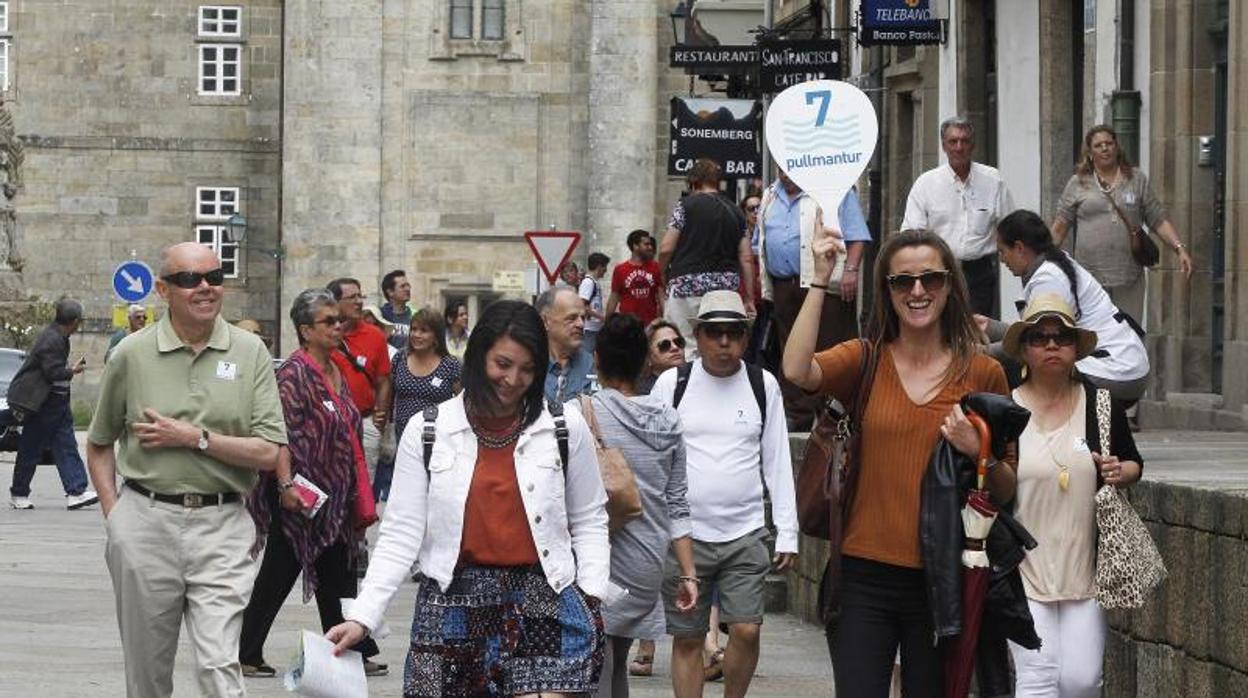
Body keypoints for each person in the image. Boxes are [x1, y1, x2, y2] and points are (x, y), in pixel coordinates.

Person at [326, 300, 610, 697]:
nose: (513, 380)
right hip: (451, 602)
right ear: (478, 359)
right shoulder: (428, 431)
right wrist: (363, 616)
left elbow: (589, 517)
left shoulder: (564, 426)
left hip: (543, 598)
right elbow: (401, 534)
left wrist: (592, 593)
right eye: (503, 364)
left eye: (528, 369)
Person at [782, 228, 1017, 696]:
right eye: (901, 281)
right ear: (885, 291)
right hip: (861, 575)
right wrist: (821, 280)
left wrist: (979, 450)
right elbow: (795, 369)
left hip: (941, 578)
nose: (917, 291)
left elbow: (1008, 489)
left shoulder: (983, 371)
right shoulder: (865, 359)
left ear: (949, 286)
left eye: (930, 278)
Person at [86, 242, 287, 697]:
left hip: (223, 524)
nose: (204, 288)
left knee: (219, 665)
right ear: (163, 289)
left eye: (213, 278)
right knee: (147, 674)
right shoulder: (131, 354)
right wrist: (115, 516)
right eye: (189, 280)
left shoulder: (250, 350)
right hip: (144, 522)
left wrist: (195, 438)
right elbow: (98, 444)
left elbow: (270, 452)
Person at [651, 290, 797, 698]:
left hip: (745, 531)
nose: (724, 343)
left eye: (733, 333)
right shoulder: (672, 384)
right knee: (689, 637)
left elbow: (777, 459)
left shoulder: (761, 384)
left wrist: (787, 530)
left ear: (745, 338)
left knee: (747, 629)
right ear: (698, 336)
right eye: (714, 333)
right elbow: (654, 458)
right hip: (685, 537)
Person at [238, 289, 386, 678]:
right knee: (280, 572)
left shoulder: (337, 367)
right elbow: (279, 435)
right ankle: (245, 651)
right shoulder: (294, 373)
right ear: (305, 330)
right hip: (298, 495)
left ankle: (351, 645)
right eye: (328, 322)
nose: (338, 327)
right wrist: (287, 487)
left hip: (333, 498)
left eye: (339, 320)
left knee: (335, 572)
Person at [1001, 294, 1143, 697]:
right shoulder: (1005, 408)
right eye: (1040, 337)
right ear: (1025, 348)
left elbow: (1134, 464)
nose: (1051, 345)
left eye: (1061, 338)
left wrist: (1119, 471)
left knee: (1081, 681)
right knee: (1038, 678)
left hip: (1085, 573)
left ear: (1075, 349)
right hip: (1023, 572)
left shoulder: (1100, 403)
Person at [590, 313, 698, 697]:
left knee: (595, 665)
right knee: (615, 660)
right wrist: (688, 573)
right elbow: (677, 501)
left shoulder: (582, 413)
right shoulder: (668, 419)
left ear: (597, 358)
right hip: (648, 562)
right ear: (644, 362)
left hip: (601, 559)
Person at [991, 209, 1150, 401]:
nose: (1001, 260)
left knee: (1023, 368)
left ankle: (1037, 427)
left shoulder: (1049, 279)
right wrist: (989, 327)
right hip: (1121, 368)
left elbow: (1039, 340)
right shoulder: (1052, 267)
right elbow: (1032, 334)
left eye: (1002, 252)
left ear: (1019, 247)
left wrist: (983, 352)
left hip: (1115, 372)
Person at [756, 170, 872, 430]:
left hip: (827, 283)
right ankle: (799, 414)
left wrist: (851, 271)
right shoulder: (769, 196)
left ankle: (834, 413)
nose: (784, 175)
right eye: (780, 169)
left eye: (790, 169)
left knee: (831, 346)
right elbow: (759, 242)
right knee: (791, 347)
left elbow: (857, 237)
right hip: (784, 285)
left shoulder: (835, 190)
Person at [1051, 124, 1194, 323]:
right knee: (1094, 334)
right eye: (1098, 145)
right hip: (1090, 277)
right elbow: (1060, 226)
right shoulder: (1078, 182)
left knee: (1129, 331)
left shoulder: (1136, 179)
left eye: (1109, 143)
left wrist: (1180, 249)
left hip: (1128, 276)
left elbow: (1157, 219)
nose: (1104, 148)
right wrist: (1042, 258)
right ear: (1090, 153)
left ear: (1117, 148)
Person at [902, 117, 1016, 317]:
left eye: (964, 141)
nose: (959, 147)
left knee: (977, 331)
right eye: (953, 142)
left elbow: (1010, 227)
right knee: (939, 328)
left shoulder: (993, 180)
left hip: (979, 272)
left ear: (973, 145)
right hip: (938, 271)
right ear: (944, 146)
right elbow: (911, 234)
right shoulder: (926, 184)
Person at [658, 159, 756, 358]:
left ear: (693, 183)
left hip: (686, 286)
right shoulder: (736, 211)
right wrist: (749, 297)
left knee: (683, 345)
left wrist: (661, 274)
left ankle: (685, 386)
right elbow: (746, 257)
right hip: (725, 290)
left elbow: (666, 248)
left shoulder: (685, 206)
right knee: (716, 347)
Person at [7, 297, 99, 510]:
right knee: (32, 447)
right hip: (41, 402)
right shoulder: (52, 339)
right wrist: (72, 371)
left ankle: (76, 491)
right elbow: (52, 372)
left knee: (65, 445)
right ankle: (19, 493)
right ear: (75, 321)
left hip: (54, 402)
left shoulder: (58, 336)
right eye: (80, 321)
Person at [327, 277, 392, 475]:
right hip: (330, 424)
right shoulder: (323, 334)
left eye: (360, 296)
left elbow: (384, 381)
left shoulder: (375, 335)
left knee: (364, 488)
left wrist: (379, 417)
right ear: (335, 302)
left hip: (365, 424)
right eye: (352, 297)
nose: (359, 302)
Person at [391, 307, 461, 445]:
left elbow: (461, 403)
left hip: (438, 439)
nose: (416, 335)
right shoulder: (400, 358)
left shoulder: (450, 364)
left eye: (424, 331)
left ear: (436, 335)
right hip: (404, 437)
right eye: (414, 329)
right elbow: (389, 395)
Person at [538, 286, 594, 403]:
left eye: (583, 318)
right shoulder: (528, 365)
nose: (581, 324)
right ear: (545, 321)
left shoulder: (592, 366)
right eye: (572, 318)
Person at [606, 230, 663, 327]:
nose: (650, 247)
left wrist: (664, 319)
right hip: (627, 325)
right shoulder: (620, 269)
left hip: (650, 324)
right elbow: (614, 298)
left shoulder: (656, 267)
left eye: (650, 244)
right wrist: (607, 323)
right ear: (635, 246)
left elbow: (661, 295)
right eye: (646, 244)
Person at [636, 319, 686, 396]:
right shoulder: (641, 393)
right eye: (664, 345)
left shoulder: (694, 380)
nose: (675, 347)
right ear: (648, 356)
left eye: (678, 342)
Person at [580, 252, 609, 356]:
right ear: (599, 266)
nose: (606, 270)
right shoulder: (588, 282)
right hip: (589, 328)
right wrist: (602, 317)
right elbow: (582, 306)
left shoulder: (594, 282)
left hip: (595, 328)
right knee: (587, 358)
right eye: (605, 266)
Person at [380, 269, 413, 350]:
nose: (407, 289)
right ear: (390, 292)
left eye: (408, 285)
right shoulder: (379, 316)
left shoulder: (415, 315)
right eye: (403, 286)